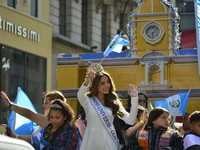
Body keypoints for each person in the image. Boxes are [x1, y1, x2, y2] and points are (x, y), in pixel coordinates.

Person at [77, 63, 138, 150]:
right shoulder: (88, 100)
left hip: (109, 142)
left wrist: (134, 99)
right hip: (91, 142)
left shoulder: (113, 102)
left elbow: (130, 121)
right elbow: (79, 95)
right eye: (102, 83)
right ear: (96, 85)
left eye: (108, 82)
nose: (107, 85)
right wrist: (88, 80)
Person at [6, 99, 79, 150]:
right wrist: (14, 136)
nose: (53, 120)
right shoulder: (47, 128)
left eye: (57, 118)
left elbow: (70, 148)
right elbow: (33, 140)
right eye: (51, 117)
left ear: (65, 116)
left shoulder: (71, 130)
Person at [0, 90, 66, 128]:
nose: (43, 105)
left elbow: (29, 114)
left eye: (46, 103)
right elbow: (28, 139)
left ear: (53, 104)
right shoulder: (47, 122)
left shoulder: (50, 121)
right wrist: (10, 132)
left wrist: (10, 104)